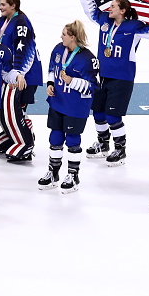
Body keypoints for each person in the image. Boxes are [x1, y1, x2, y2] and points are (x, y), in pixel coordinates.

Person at [75, 0, 149, 166]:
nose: (109, 8)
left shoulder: (134, 27)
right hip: (102, 75)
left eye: (114, 6)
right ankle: (103, 143)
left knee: (113, 116)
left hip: (122, 77)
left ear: (123, 10)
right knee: (98, 112)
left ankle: (120, 149)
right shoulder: (105, 22)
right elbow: (91, 11)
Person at [38, 21, 99, 193]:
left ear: (73, 37)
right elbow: (52, 69)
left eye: (64, 34)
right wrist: (50, 83)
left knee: (72, 140)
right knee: (55, 137)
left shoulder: (88, 59)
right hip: (57, 101)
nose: (61, 36)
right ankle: (53, 172)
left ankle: (73, 174)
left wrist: (72, 82)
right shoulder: (58, 49)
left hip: (76, 106)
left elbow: (94, 86)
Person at [0, 0, 43, 163]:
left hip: (25, 76)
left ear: (13, 5)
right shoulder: (2, 21)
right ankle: (12, 136)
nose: (0, 7)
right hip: (12, 74)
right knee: (8, 109)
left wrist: (19, 73)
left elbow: (25, 50)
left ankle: (26, 142)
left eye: (3, 4)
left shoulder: (21, 22)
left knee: (15, 109)